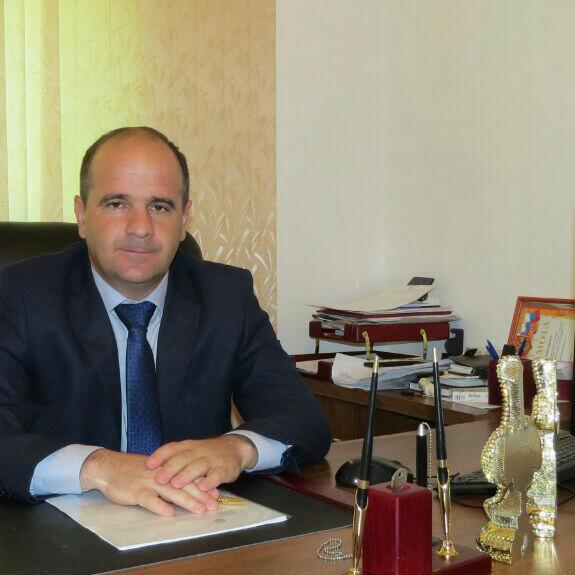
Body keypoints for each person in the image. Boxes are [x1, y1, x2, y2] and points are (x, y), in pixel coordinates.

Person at [0, 127, 331, 516]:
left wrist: (237, 448)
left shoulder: (226, 297)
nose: (141, 228)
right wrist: (99, 467)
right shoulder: (20, 295)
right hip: (59, 532)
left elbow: (303, 420)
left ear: (184, 218)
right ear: (82, 214)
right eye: (116, 204)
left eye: (159, 207)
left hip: (194, 523)